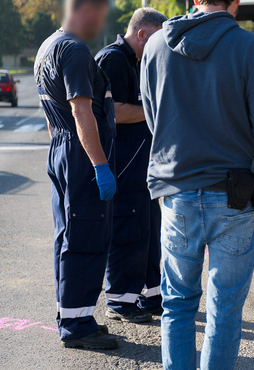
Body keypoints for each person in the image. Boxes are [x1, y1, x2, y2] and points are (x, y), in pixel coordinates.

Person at [139, 0, 254, 367]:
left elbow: (151, 117)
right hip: (233, 194)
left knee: (177, 303)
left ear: (192, 1)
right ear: (235, 4)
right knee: (225, 308)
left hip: (176, 191)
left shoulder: (156, 44)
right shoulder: (251, 48)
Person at [34, 0, 119, 349]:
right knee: (84, 236)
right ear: (87, 8)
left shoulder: (48, 46)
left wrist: (62, 152)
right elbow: (81, 112)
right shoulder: (75, 50)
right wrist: (100, 166)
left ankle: (74, 313)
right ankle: (76, 325)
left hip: (64, 148)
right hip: (81, 154)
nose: (101, 21)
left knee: (68, 235)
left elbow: (51, 114)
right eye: (101, 13)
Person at [95, 7, 167, 324]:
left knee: (149, 229)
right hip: (124, 162)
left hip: (143, 164)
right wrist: (154, 111)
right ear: (142, 34)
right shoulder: (113, 59)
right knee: (128, 229)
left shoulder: (134, 60)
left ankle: (151, 294)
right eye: (157, 38)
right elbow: (115, 112)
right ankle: (120, 300)